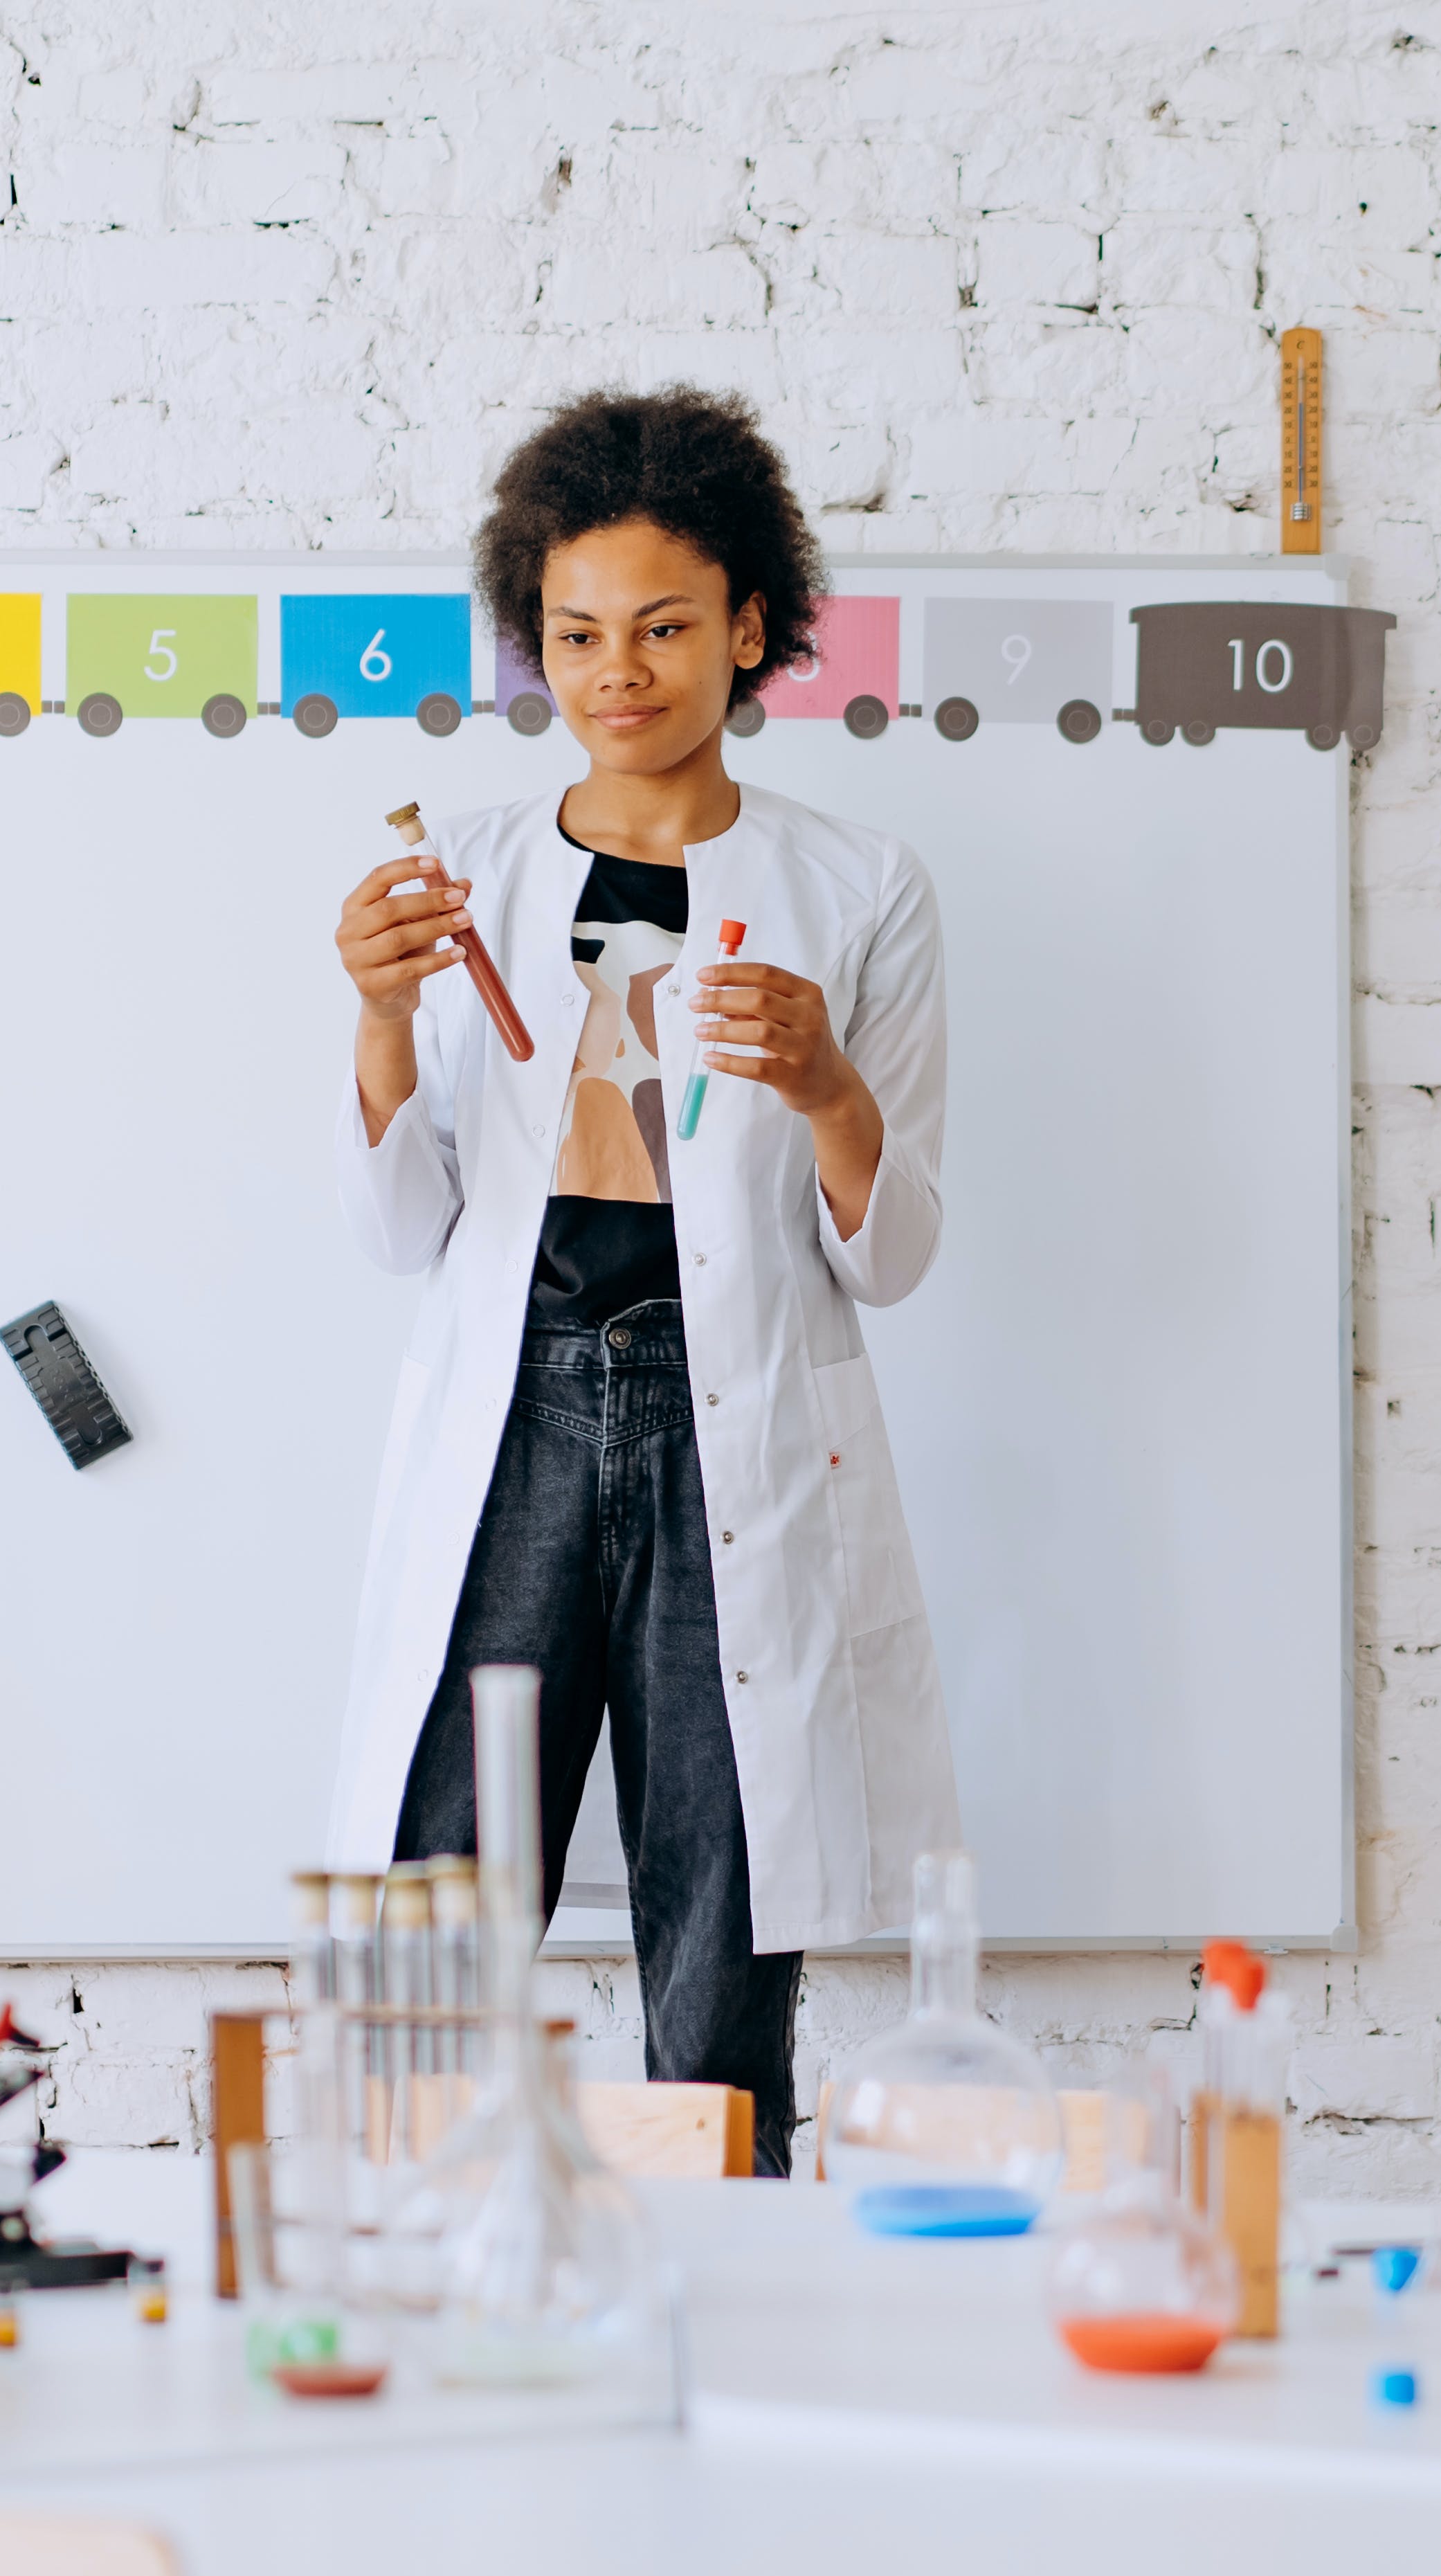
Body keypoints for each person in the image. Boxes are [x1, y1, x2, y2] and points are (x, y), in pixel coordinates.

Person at [324, 385, 959, 2175]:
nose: (622, 670)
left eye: (668, 626)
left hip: (725, 1409)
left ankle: (738, 2291)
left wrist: (831, 1087)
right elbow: (400, 1229)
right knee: (441, 1898)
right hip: (515, 1403)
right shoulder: (465, 878)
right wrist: (381, 1014)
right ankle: (409, 2252)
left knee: (728, 1907)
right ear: (537, 642)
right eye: (580, 632)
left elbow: (893, 1257)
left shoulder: (859, 889)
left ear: (750, 627)